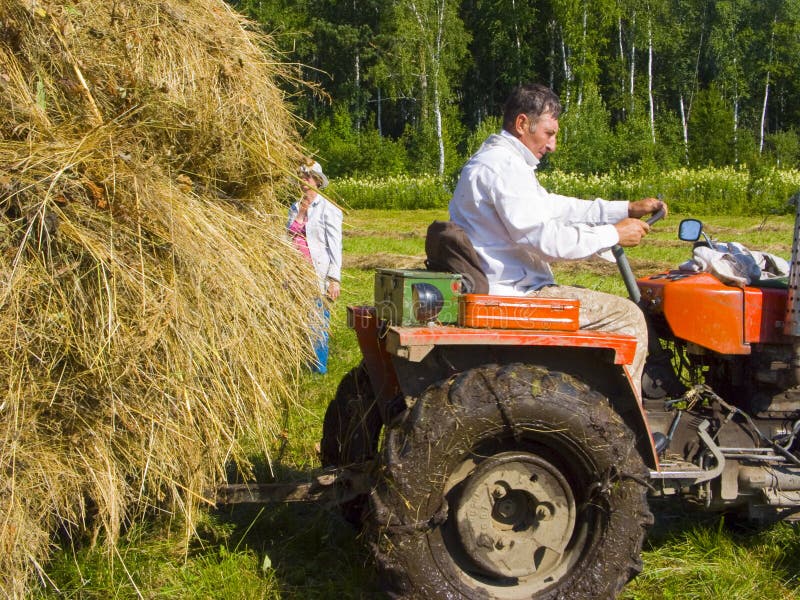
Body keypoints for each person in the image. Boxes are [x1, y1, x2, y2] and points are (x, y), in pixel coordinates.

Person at [449, 83, 666, 397]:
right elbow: (546, 241)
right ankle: (623, 425)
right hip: (516, 294)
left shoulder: (502, 163)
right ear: (523, 124)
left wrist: (624, 208)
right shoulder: (503, 168)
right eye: (549, 133)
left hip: (509, 285)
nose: (552, 145)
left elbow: (556, 206)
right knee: (628, 316)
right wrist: (614, 234)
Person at [287, 158, 343, 374]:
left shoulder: (328, 209)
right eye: (301, 177)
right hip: (295, 272)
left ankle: (318, 368)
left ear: (318, 181)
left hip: (317, 272)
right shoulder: (294, 207)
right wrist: (300, 213)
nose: (304, 181)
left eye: (308, 177)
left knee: (318, 322)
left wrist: (334, 279)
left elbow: (335, 246)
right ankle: (300, 363)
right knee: (299, 321)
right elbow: (287, 236)